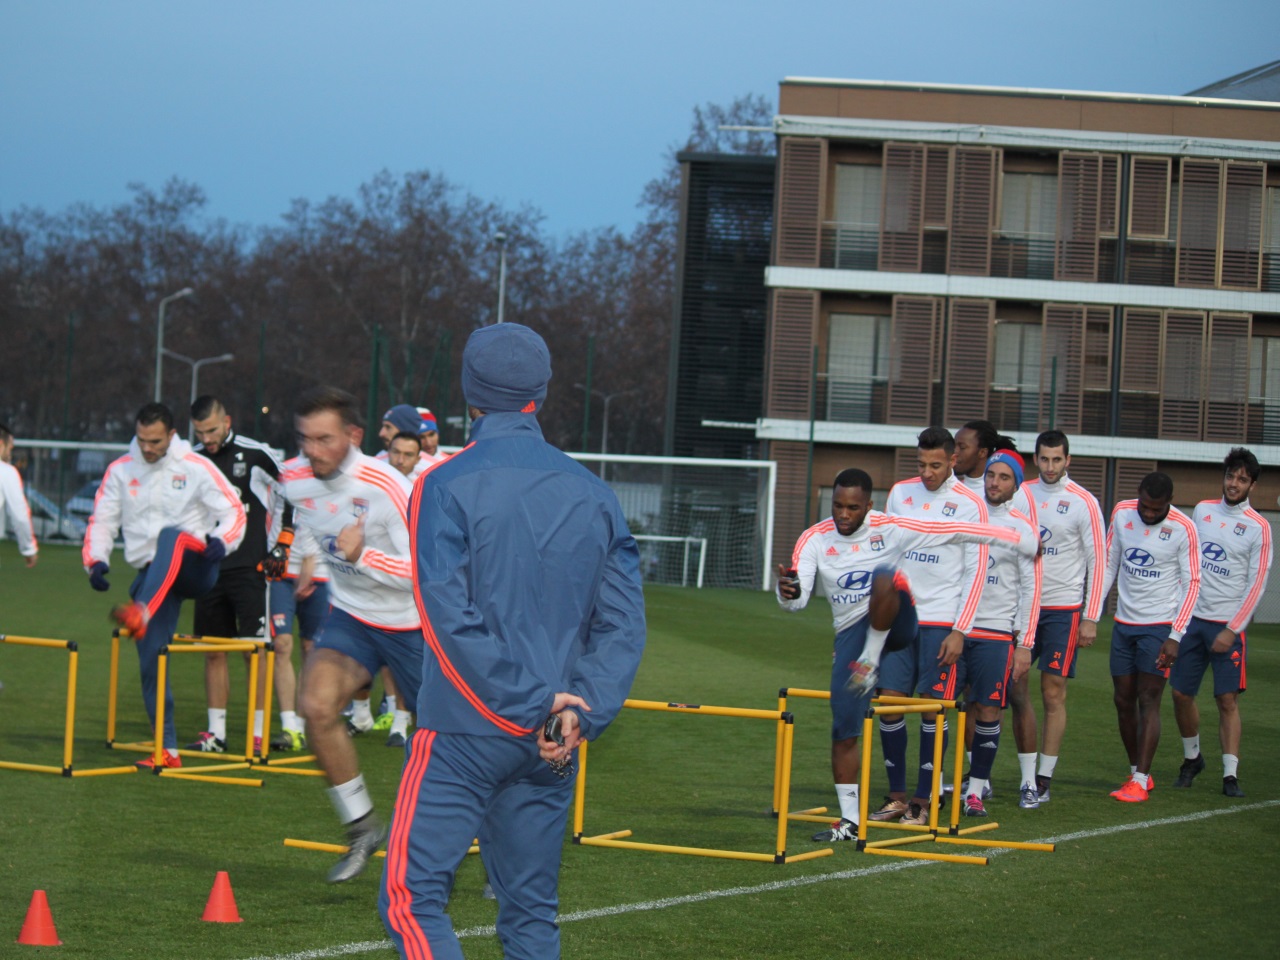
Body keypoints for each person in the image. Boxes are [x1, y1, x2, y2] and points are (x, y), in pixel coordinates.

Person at [379, 323, 646, 960]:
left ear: (469, 393)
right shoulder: (594, 492)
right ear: (541, 392)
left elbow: (447, 618)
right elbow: (623, 624)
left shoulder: (442, 485)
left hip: (469, 730)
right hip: (555, 738)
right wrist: (578, 708)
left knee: (411, 899)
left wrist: (534, 705)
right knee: (530, 916)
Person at [777, 468, 1036, 841]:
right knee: (844, 728)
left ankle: (872, 658)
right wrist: (787, 593)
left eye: (853, 507)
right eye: (837, 505)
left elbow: (951, 533)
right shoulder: (814, 539)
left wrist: (1012, 537)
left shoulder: (891, 527)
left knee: (887, 577)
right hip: (851, 632)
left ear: (869, 505)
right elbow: (797, 598)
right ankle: (850, 821)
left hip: (902, 622)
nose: (844, 514)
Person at [281, 386, 424, 883]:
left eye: (325, 439)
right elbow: (302, 520)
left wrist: (364, 556)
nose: (313, 451)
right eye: (305, 440)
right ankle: (363, 827)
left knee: (451, 742)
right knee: (316, 707)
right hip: (353, 617)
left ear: (354, 436)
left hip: (413, 624)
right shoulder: (295, 478)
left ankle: (499, 851)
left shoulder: (388, 486)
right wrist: (303, 562)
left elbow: (426, 571)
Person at [82, 402, 246, 768]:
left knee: (173, 536)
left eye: (155, 441)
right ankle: (166, 749)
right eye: (142, 440)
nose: (148, 448)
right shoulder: (120, 471)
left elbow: (234, 510)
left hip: (196, 565)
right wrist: (95, 560)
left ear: (172, 436)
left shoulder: (196, 467)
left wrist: (223, 539)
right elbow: (102, 520)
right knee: (151, 660)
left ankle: (141, 610)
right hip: (153, 578)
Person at [875, 426, 989, 826]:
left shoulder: (971, 504)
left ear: (953, 460)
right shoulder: (900, 493)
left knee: (932, 711)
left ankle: (925, 800)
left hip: (943, 623)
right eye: (921, 464)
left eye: (936, 465)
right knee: (889, 704)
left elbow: (976, 572)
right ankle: (896, 797)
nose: (927, 472)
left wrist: (961, 630)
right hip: (900, 620)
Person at [185, 396, 290, 755]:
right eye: (201, 432)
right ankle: (215, 734)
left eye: (212, 430)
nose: (208, 437)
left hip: (250, 568)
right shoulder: (194, 460)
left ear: (227, 421)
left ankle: (256, 734)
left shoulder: (256, 453)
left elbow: (290, 492)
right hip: (209, 568)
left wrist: (282, 543)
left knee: (253, 652)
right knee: (213, 651)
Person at [1010, 430, 1105, 806]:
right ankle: (1015, 773)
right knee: (1013, 686)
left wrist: (1091, 616)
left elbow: (1098, 560)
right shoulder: (1021, 493)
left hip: (1063, 609)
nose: (1050, 466)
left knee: (1053, 691)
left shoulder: (1083, 501)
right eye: (1044, 459)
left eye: (1057, 459)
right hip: (1021, 606)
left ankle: (1044, 778)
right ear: (1036, 459)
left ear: (1068, 461)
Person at [1170, 448, 1272, 798]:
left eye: (1242, 479)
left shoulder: (1259, 526)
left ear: (1252, 485)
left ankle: (1230, 775)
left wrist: (1233, 629)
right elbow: (1189, 562)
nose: (1234, 483)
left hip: (1227, 626)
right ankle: (1192, 757)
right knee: (1181, 694)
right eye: (1231, 476)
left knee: (1226, 700)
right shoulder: (1202, 510)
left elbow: (1257, 582)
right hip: (1192, 621)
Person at [1100, 472, 1200, 802]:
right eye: (1146, 506)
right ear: (1138, 496)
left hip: (1159, 627)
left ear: (1168, 504)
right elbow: (1109, 563)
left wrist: (1176, 635)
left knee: (1149, 699)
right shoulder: (1122, 512)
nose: (1150, 514)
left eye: (1157, 509)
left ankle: (1140, 781)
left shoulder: (1184, 528)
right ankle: (1137, 772)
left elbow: (1192, 584)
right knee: (1122, 700)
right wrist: (1091, 613)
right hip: (1123, 624)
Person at [952, 450, 1040, 817]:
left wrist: (1025, 645)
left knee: (989, 708)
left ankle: (975, 791)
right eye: (991, 475)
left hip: (996, 632)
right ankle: (939, 782)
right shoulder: (965, 515)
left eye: (1004, 477)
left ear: (1016, 485)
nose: (994, 483)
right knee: (945, 707)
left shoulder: (1023, 528)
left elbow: (1031, 590)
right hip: (956, 628)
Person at [263, 456, 330, 752]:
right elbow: (271, 516)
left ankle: (305, 723)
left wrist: (310, 564)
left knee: (310, 650)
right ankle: (289, 726)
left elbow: (329, 524)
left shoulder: (336, 473)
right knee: (282, 646)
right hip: (281, 573)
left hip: (320, 575)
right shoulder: (284, 472)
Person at [0, 422, 38, 569]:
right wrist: (28, 549)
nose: (10, 453)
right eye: (9, 448)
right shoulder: (6, 472)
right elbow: (20, 515)